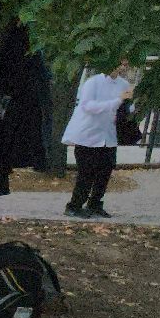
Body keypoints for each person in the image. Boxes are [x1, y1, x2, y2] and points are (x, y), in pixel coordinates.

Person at [61, 62, 134, 219]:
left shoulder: (124, 84)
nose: (123, 66)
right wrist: (116, 102)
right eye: (120, 62)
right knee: (86, 173)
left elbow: (128, 108)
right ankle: (74, 205)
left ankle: (95, 204)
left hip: (109, 136)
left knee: (104, 172)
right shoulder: (93, 82)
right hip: (88, 135)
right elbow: (88, 106)